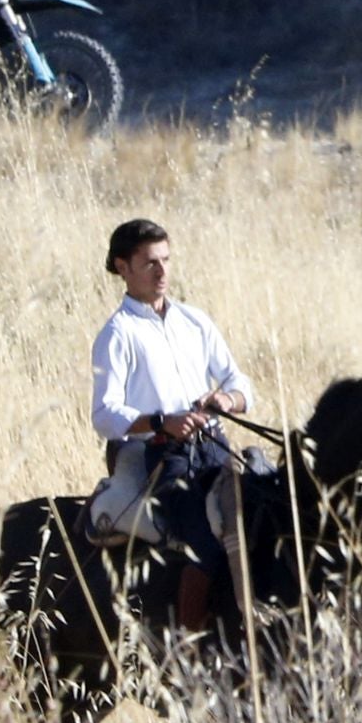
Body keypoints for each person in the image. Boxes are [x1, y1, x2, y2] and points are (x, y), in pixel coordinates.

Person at [90, 219, 255, 634]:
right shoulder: (117, 333)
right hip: (165, 458)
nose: (162, 272)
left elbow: (242, 385)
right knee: (205, 547)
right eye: (149, 264)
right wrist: (162, 421)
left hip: (216, 447)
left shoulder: (195, 321)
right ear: (122, 267)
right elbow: (105, 415)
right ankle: (187, 647)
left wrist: (225, 400)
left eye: (166, 260)